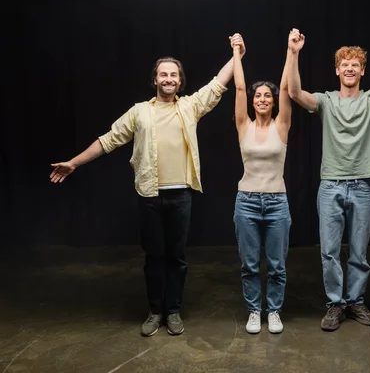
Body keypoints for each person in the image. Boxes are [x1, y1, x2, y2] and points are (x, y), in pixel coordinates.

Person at [49, 34, 246, 337]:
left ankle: (175, 311)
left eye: (174, 75)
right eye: (163, 74)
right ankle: (156, 311)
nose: (168, 79)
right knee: (154, 257)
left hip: (181, 195)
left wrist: (237, 54)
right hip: (149, 195)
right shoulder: (139, 111)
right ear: (155, 79)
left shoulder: (191, 106)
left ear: (180, 81)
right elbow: (108, 140)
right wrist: (74, 162)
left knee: (177, 257)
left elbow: (218, 84)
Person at [287, 28, 370, 331]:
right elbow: (295, 93)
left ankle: (355, 301)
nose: (349, 68)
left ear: (362, 70)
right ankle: (336, 303)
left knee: (360, 252)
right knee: (329, 252)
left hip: (362, 186)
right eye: (344, 64)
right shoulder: (326, 100)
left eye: (355, 64)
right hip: (330, 185)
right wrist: (293, 53)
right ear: (337, 70)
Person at [230, 32, 293, 334]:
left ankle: (275, 311)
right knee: (250, 265)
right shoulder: (244, 125)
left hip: (277, 203)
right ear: (253, 102)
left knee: (277, 265)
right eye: (259, 95)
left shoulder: (282, 125)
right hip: (247, 203)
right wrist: (236, 53)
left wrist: (291, 51)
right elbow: (239, 86)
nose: (264, 98)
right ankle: (255, 310)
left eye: (268, 95)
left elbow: (285, 87)